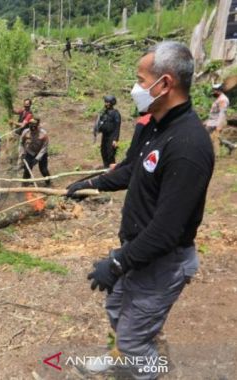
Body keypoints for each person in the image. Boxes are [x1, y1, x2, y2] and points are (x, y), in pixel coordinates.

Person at [67, 41, 214, 379]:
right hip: (139, 249)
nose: (135, 88)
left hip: (163, 259)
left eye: (139, 79)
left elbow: (166, 231)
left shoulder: (189, 146)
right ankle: (124, 357)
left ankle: (144, 367)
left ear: (163, 84)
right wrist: (91, 184)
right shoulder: (153, 125)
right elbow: (131, 169)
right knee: (117, 308)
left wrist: (118, 262)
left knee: (135, 342)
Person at [19, 118, 51, 187]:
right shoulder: (25, 132)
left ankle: (48, 182)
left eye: (34, 126)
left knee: (43, 170)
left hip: (41, 154)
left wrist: (37, 158)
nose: (33, 128)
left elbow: (44, 148)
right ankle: (24, 184)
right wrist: (22, 153)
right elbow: (21, 143)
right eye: (31, 126)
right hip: (30, 152)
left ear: (38, 125)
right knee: (27, 169)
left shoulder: (43, 134)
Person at [94, 95, 122, 168]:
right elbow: (100, 122)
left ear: (112, 103)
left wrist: (115, 140)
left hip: (112, 137)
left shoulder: (116, 114)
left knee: (110, 154)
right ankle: (106, 168)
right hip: (105, 136)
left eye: (107, 102)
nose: (105, 103)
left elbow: (117, 127)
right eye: (105, 102)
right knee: (103, 152)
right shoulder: (104, 112)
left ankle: (112, 170)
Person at [204, 83, 230, 156]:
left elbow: (222, 113)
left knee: (213, 138)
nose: (213, 92)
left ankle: (217, 154)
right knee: (213, 137)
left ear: (219, 91)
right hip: (212, 122)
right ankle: (230, 146)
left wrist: (219, 125)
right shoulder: (219, 99)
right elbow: (214, 113)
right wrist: (207, 121)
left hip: (216, 122)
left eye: (214, 90)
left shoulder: (223, 100)